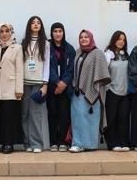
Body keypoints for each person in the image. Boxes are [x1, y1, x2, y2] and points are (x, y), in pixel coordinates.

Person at [68, 30, 111, 152]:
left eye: (86, 37)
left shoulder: (98, 53)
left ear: (91, 38)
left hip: (93, 90)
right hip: (77, 91)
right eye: (81, 37)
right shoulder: (77, 52)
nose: (83, 39)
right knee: (77, 118)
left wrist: (95, 88)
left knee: (91, 119)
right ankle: (78, 143)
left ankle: (90, 145)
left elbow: (102, 74)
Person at [0, 23, 25, 154]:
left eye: (7, 31)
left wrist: (19, 89)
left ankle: (9, 143)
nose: (4, 34)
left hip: (11, 88)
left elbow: (19, 69)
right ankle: (2, 142)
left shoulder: (17, 48)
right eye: (2, 31)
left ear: (11, 32)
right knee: (0, 117)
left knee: (10, 117)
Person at [20, 15, 50, 153]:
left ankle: (37, 143)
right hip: (24, 82)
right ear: (29, 26)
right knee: (25, 113)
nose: (36, 25)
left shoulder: (45, 43)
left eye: (38, 23)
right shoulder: (23, 42)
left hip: (38, 83)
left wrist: (45, 84)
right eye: (33, 23)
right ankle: (27, 143)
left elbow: (47, 64)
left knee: (36, 114)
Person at [47, 22, 75, 152]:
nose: (58, 34)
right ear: (51, 33)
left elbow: (71, 69)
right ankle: (53, 142)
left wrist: (63, 83)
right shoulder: (47, 47)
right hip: (52, 88)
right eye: (55, 31)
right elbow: (47, 67)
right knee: (52, 115)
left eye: (60, 31)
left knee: (64, 115)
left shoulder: (69, 49)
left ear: (63, 33)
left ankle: (63, 141)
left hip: (65, 88)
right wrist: (56, 82)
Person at [103, 31, 131, 151]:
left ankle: (124, 142)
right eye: (119, 39)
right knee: (112, 119)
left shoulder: (127, 55)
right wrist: (108, 87)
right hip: (112, 91)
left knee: (124, 118)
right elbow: (103, 72)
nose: (121, 41)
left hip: (125, 92)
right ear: (114, 39)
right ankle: (112, 143)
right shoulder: (108, 54)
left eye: (123, 40)